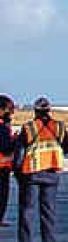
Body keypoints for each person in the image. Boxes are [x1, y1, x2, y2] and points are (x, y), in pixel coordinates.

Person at [13, 97, 68, 242]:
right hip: (51, 174)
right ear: (49, 110)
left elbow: (19, 155)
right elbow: (67, 149)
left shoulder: (28, 127)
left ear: (35, 111)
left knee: (27, 212)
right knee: (49, 213)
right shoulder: (60, 127)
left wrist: (17, 172)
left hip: (31, 173)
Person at [0, 95, 15, 228]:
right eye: (8, 109)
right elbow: (5, 147)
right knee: (2, 196)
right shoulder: (2, 127)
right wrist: (15, 142)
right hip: (2, 166)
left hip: (4, 166)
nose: (10, 113)